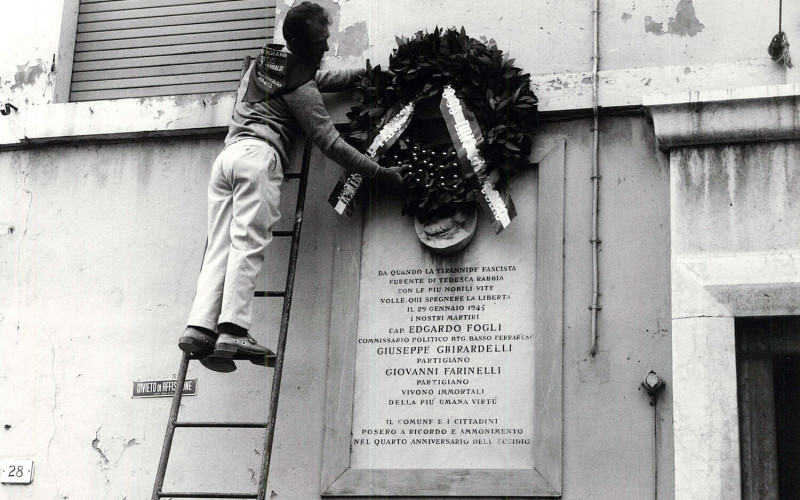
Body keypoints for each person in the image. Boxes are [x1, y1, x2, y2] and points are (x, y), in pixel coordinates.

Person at [178, 1, 405, 372]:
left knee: (220, 245)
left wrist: (363, 74)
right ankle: (233, 328)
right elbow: (330, 143)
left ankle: (200, 327)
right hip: (259, 159)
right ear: (300, 42)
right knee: (248, 242)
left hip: (227, 160)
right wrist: (380, 173)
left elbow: (315, 81)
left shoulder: (265, 62)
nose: (327, 48)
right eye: (320, 42)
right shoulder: (300, 83)